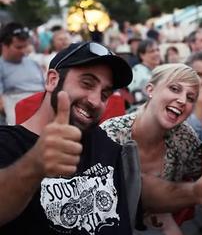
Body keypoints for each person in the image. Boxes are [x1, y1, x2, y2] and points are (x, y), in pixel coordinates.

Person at [0, 41, 135, 234]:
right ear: (52, 80)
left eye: (105, 94)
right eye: (87, 83)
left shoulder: (104, 143)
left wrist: (189, 192)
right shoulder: (7, 144)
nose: (95, 101)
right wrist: (34, 165)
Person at [100, 63, 202, 235]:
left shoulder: (184, 137)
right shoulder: (110, 134)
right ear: (150, 90)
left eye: (191, 98)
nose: (183, 100)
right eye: (175, 89)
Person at [0, 22, 45, 125]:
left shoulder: (33, 62)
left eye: (25, 46)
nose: (23, 51)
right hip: (17, 107)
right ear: (4, 46)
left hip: (42, 104)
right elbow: (1, 104)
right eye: (18, 47)